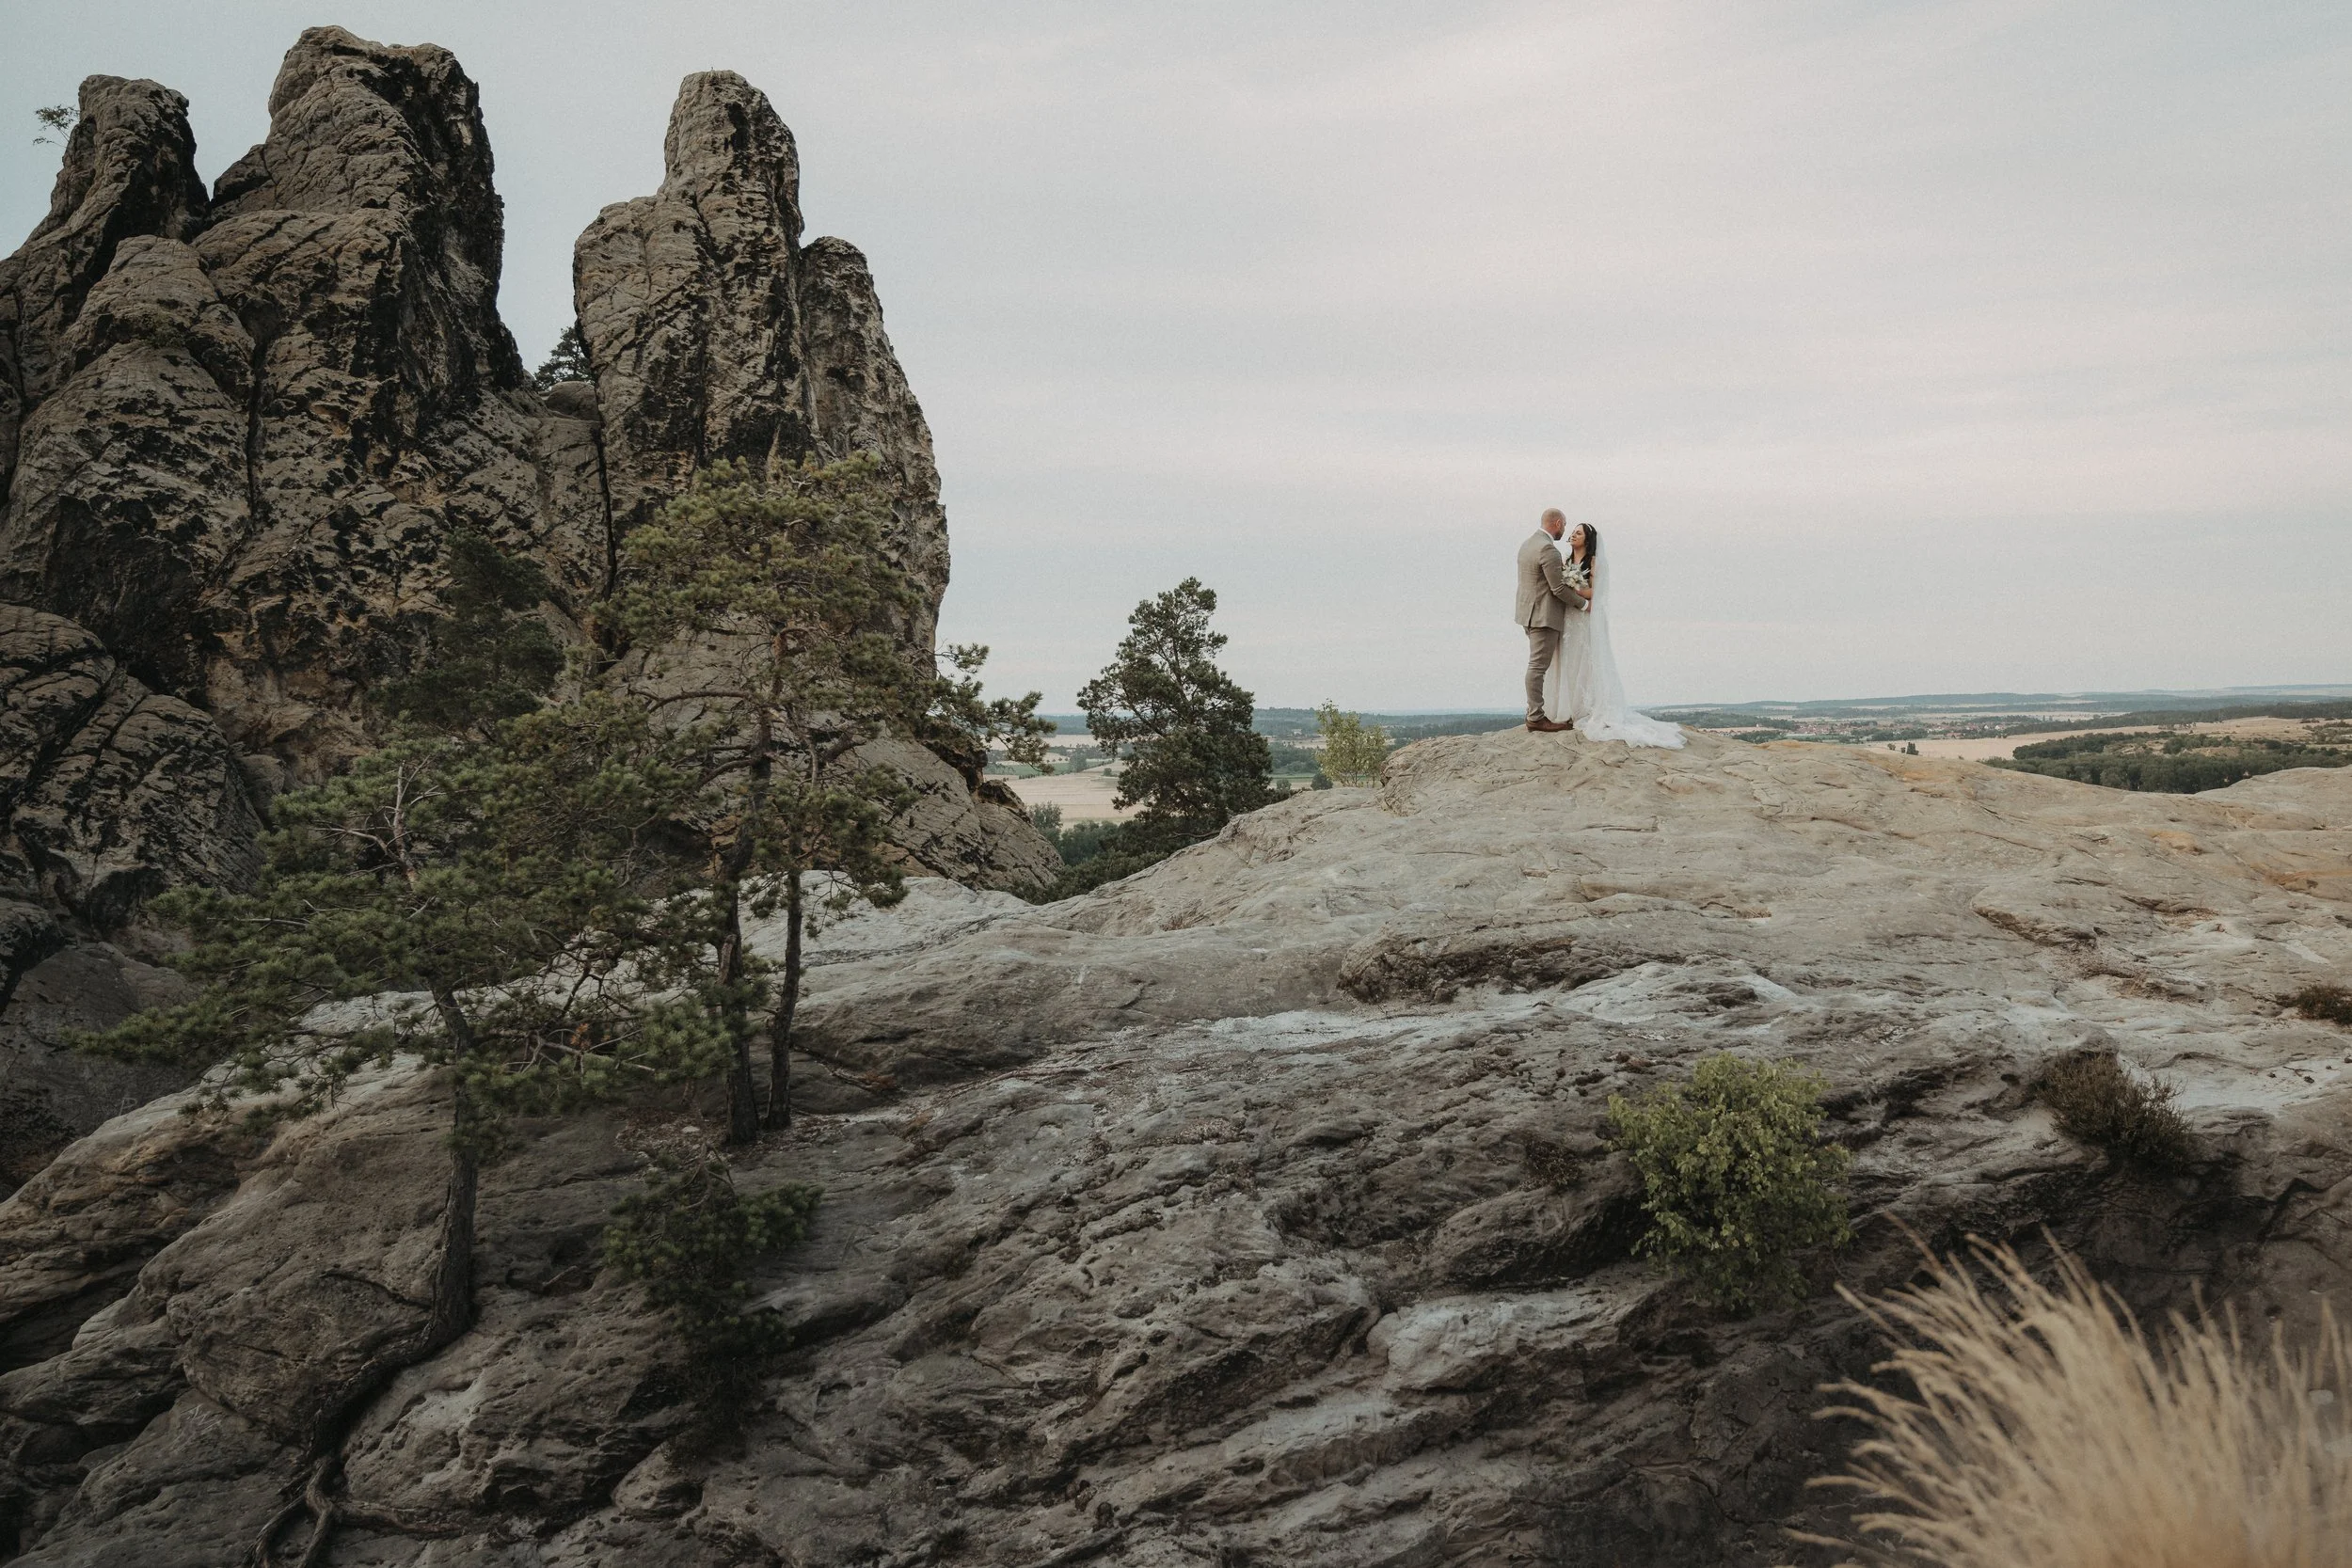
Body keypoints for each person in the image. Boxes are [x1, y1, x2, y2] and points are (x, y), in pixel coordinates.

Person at [1541, 521, 1685, 749]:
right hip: (1569, 616)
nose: (1573, 535)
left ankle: (1586, 708)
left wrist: (1572, 587)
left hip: (1585, 616)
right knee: (1568, 659)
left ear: (1587, 539)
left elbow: (1595, 591)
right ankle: (1567, 707)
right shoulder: (1566, 561)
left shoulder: (1595, 562)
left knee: (1586, 659)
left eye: (1578, 533)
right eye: (1572, 532)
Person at [1515, 508, 1586, 733]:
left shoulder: (1527, 544)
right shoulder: (1548, 549)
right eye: (1564, 526)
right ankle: (1535, 716)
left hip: (1528, 613)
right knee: (1537, 666)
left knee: (1536, 664)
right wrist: (1583, 604)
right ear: (1557, 523)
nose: (1564, 530)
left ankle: (1537, 713)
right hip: (1543, 616)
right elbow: (1557, 589)